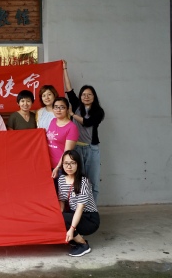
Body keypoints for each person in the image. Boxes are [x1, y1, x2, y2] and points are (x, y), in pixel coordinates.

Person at [63, 61, 105, 203]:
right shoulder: (76, 106)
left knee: (93, 181)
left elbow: (87, 122)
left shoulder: (98, 111)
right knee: (78, 181)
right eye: (83, 94)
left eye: (89, 94)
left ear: (94, 97)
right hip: (76, 149)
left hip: (91, 149)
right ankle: (80, 209)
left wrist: (72, 115)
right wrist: (64, 69)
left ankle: (92, 210)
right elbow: (69, 90)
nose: (86, 96)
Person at [57, 149, 100, 257]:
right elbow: (62, 200)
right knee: (57, 217)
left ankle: (83, 244)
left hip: (89, 219)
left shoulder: (84, 181)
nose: (69, 166)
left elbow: (80, 208)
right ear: (62, 164)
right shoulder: (61, 179)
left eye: (73, 163)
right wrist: (59, 217)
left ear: (78, 164)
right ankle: (75, 239)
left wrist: (71, 229)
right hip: (74, 214)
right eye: (66, 163)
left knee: (63, 219)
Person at [49, 97, 79, 192]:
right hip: (49, 165)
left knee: (62, 195)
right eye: (56, 107)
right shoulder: (53, 121)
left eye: (62, 107)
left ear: (67, 109)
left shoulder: (72, 127)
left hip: (61, 168)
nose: (58, 110)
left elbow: (67, 152)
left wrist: (57, 168)